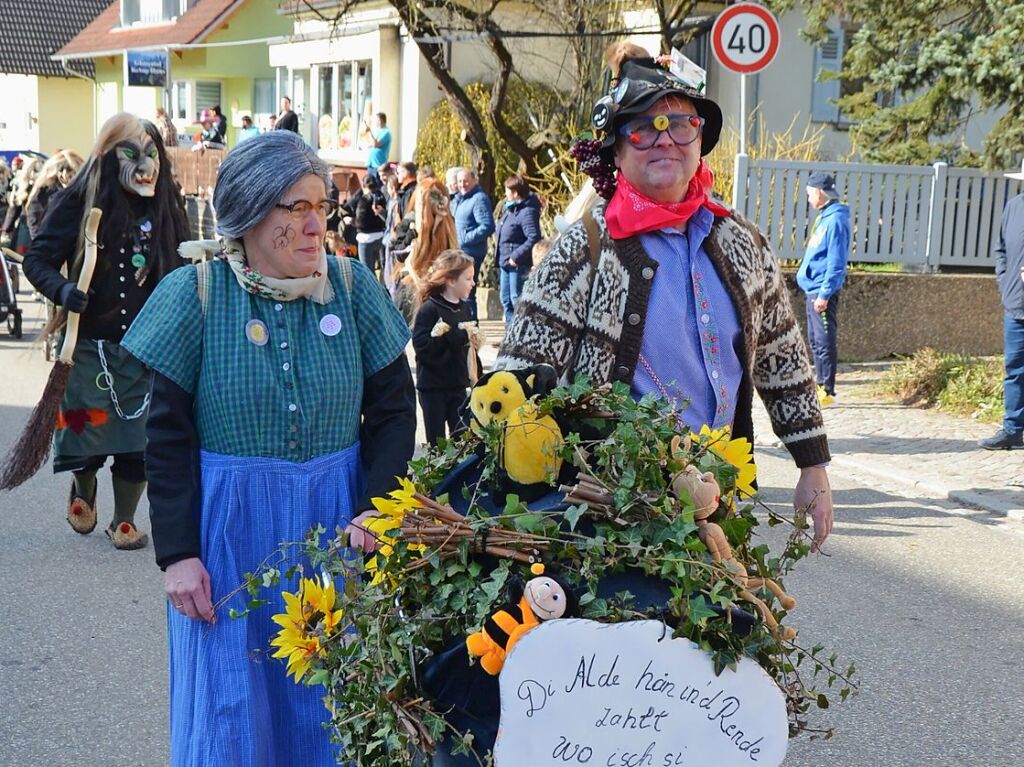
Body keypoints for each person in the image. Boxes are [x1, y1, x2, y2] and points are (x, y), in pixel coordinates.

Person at [120, 130, 416, 764]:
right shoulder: (194, 294)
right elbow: (167, 437)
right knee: (232, 710)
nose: (316, 226)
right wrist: (177, 555)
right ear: (252, 214)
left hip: (339, 529)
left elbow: (394, 410)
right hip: (229, 541)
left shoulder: (354, 287)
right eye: (297, 209)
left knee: (335, 706)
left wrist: (376, 507)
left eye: (321, 208)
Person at [497, 43, 834, 549]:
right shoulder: (586, 248)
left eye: (681, 125)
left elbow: (783, 358)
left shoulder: (740, 241)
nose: (665, 141)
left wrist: (813, 464)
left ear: (700, 140)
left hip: (721, 493)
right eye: (642, 127)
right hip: (613, 505)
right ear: (617, 148)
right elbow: (519, 376)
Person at [21, 113, 190, 549]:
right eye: (131, 154)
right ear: (107, 156)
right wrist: (62, 288)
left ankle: (126, 520)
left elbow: (185, 267)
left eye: (152, 153)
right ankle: (84, 487)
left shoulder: (167, 205)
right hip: (87, 348)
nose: (145, 164)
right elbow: (37, 260)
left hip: (146, 350)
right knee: (86, 437)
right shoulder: (78, 200)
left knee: (139, 442)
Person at [412, 250, 480, 445]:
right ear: (451, 281)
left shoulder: (465, 308)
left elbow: (469, 349)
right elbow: (422, 348)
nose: (472, 283)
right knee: (438, 443)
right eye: (468, 279)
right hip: (433, 388)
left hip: (457, 385)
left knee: (462, 440)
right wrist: (454, 336)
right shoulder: (429, 309)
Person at [978, 160, 1024, 450]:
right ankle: (1013, 429)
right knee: (1014, 369)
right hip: (1016, 304)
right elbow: (1001, 250)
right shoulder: (1014, 207)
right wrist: (1004, 281)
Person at [797, 171, 849, 407]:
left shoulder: (836, 220)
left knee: (824, 340)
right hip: (812, 288)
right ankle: (819, 387)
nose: (808, 199)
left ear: (819, 192)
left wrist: (825, 293)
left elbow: (836, 262)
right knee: (815, 340)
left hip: (821, 291)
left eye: (809, 194)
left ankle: (827, 390)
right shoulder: (824, 217)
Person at [495, 174, 542, 325]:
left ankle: (520, 333)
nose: (505, 194)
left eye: (507, 190)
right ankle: (509, 334)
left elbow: (533, 237)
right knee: (506, 300)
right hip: (505, 263)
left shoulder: (527, 211)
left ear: (515, 193)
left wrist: (516, 256)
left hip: (517, 264)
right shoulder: (510, 210)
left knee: (517, 300)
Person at [452, 168, 495, 319]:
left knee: (467, 292)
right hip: (459, 252)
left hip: (471, 253)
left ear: (474, 180)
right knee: (460, 292)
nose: (462, 184)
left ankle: (472, 330)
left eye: (465, 181)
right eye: (459, 181)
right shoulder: (458, 199)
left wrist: (465, 239)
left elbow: (487, 226)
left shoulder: (479, 199)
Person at [24, 150, 84, 239]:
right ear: (61, 176)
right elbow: (37, 232)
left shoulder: (81, 193)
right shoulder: (42, 196)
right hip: (53, 248)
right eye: (72, 174)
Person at [342, 173, 387, 282]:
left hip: (366, 239)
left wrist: (351, 221)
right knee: (382, 268)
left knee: (367, 272)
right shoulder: (381, 196)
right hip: (381, 236)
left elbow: (361, 222)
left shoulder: (364, 200)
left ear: (363, 186)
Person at [365, 112, 392, 177]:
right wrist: (367, 133)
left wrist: (370, 132)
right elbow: (370, 143)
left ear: (380, 120)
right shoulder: (377, 132)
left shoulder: (386, 132)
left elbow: (375, 144)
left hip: (378, 166)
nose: (375, 122)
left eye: (376, 120)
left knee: (377, 185)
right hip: (371, 164)